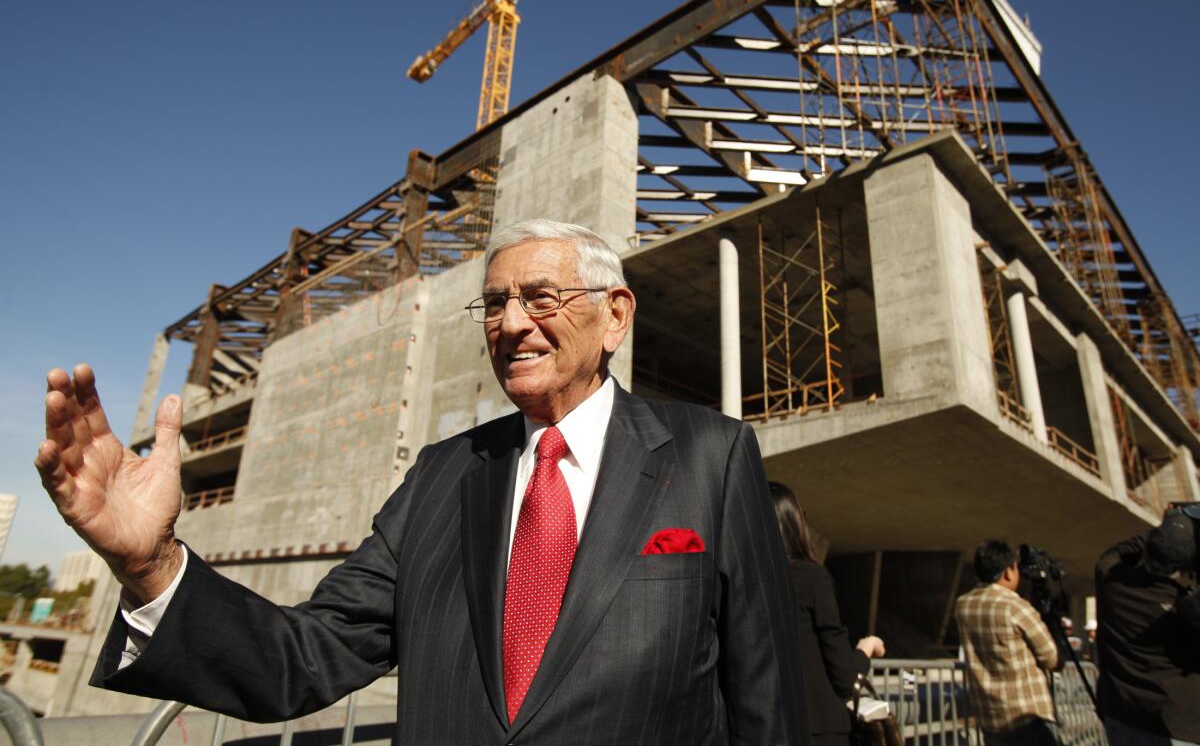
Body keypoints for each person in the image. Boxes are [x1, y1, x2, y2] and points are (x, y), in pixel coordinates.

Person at [34, 219, 809, 745]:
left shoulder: (711, 456)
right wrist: (150, 564)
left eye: (539, 297)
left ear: (614, 317)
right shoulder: (445, 476)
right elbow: (307, 655)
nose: (510, 324)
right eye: (495, 303)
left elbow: (766, 696)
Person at [769, 481, 885, 746]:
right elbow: (844, 676)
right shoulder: (811, 579)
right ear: (794, 523)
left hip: (767, 728)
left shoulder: (743, 583)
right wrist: (865, 650)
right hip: (820, 729)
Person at [1095, 506, 1200, 746]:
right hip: (1175, 727)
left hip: (1120, 715)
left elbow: (1119, 551)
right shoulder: (1183, 608)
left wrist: (1169, 524)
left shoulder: (1110, 581)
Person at [955, 540, 1061, 746]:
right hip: (1026, 716)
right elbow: (1051, 657)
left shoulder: (963, 605)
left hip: (990, 717)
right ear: (1008, 572)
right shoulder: (1015, 606)